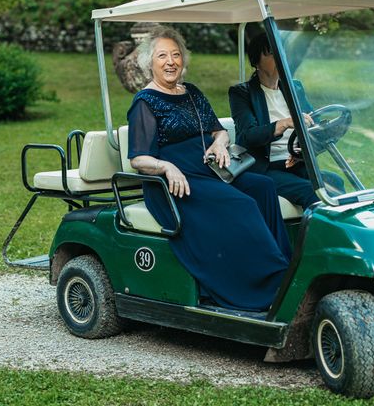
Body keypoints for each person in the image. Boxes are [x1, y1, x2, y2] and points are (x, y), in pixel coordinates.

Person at [127, 26, 291, 312]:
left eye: (175, 55)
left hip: (211, 170)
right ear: (149, 63)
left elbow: (219, 131)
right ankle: (264, 284)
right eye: (162, 56)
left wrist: (219, 143)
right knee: (240, 204)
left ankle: (284, 267)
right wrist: (167, 167)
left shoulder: (191, 92)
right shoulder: (145, 102)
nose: (170, 62)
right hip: (177, 184)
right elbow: (138, 158)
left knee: (263, 187)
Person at [229, 33, 321, 209]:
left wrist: (300, 153)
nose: (279, 57)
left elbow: (313, 122)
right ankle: (316, 236)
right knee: (311, 190)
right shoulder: (242, 93)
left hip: (295, 162)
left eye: (281, 52)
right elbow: (249, 135)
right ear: (256, 61)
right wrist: (284, 123)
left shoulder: (294, 87)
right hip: (266, 166)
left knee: (334, 183)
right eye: (271, 53)